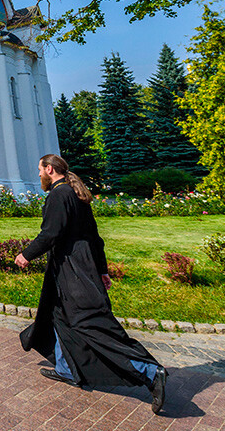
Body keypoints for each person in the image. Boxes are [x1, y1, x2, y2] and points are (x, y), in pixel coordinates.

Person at [17, 154, 168, 414]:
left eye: (40, 170)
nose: (39, 175)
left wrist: (26, 254)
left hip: (72, 270)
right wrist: (102, 270)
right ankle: (67, 369)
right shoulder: (77, 195)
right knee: (60, 316)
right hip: (81, 267)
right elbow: (95, 237)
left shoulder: (58, 195)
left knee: (90, 323)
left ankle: (151, 372)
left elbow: (51, 233)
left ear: (49, 169)